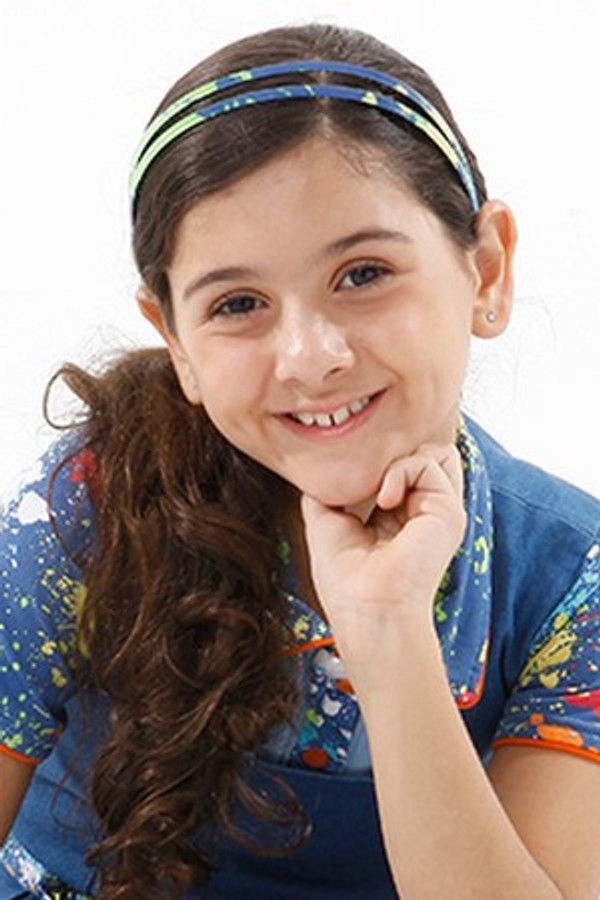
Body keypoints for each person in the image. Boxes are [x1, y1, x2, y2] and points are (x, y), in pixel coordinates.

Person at [0, 20, 598, 900]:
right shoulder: (81, 512)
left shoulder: (573, 578)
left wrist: (387, 626)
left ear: (487, 269)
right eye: (238, 304)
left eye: (363, 274)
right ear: (177, 341)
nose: (311, 357)